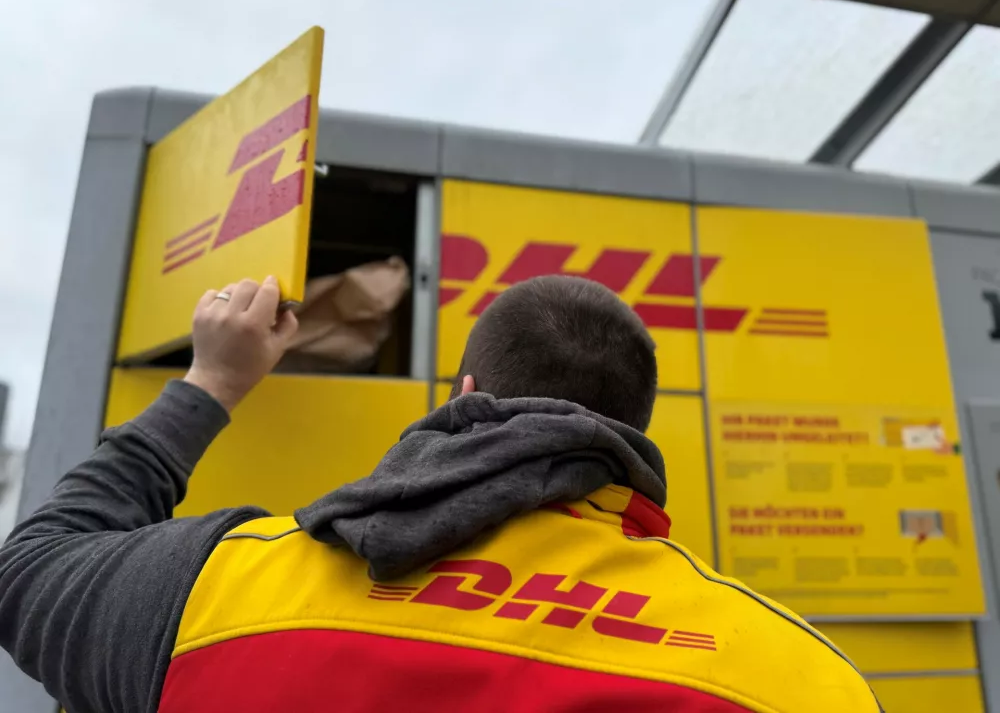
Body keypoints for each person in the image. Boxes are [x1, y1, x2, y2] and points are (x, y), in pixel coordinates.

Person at [0, 274, 882, 713]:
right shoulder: (796, 678)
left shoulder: (218, 595)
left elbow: (30, 568)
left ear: (465, 398)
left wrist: (210, 382)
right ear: (632, 437)